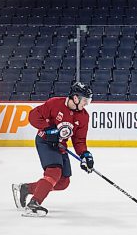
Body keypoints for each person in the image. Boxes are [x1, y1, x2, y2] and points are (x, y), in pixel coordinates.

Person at [12, 82, 95, 217]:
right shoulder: (55, 103)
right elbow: (33, 116)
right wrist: (47, 128)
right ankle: (34, 203)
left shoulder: (84, 116)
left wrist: (85, 155)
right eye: (85, 100)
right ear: (75, 98)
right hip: (45, 141)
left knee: (63, 182)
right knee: (54, 171)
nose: (86, 104)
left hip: (60, 145)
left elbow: (79, 140)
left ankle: (26, 188)